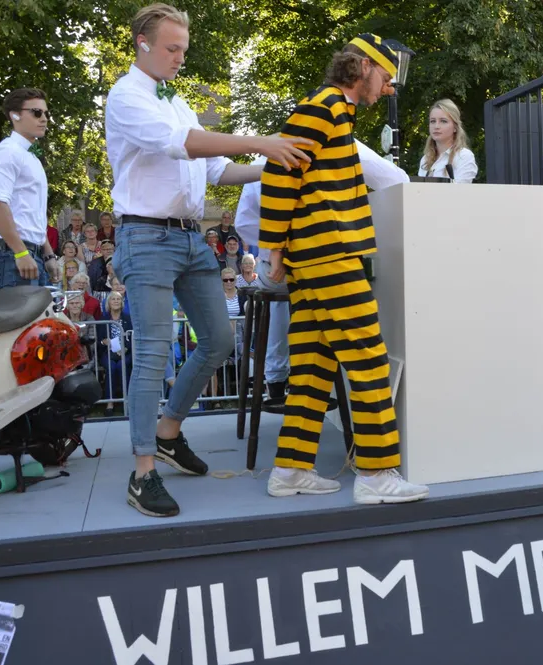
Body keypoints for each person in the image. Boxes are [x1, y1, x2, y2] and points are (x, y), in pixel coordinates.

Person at [104, 2, 314, 517]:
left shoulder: (177, 100)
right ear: (142, 44)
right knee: (153, 351)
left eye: (184, 49)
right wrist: (265, 141)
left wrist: (278, 162)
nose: (180, 57)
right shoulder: (126, 95)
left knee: (219, 341)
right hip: (144, 236)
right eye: (172, 48)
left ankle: (168, 432)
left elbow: (216, 169)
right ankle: (142, 472)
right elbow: (184, 145)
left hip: (189, 238)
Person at [259, 33, 429, 504]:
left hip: (316, 254)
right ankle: (377, 474)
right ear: (363, 67)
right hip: (329, 252)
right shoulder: (327, 105)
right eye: (386, 76)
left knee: (313, 366)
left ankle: (290, 470)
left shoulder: (333, 109)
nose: (389, 87)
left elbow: (288, 172)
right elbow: (278, 169)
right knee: (369, 358)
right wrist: (273, 245)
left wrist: (279, 246)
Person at [235, 140, 408, 410]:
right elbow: (397, 180)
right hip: (324, 265)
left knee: (282, 294)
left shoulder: (266, 154)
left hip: (278, 267)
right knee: (328, 291)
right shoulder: (341, 143)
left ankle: (277, 380)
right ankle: (319, 381)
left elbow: (244, 223)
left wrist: (276, 249)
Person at [0, 87, 61, 290]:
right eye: (36, 112)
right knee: (19, 312)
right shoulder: (6, 153)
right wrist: (20, 252)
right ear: (15, 115)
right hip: (15, 252)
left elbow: (33, 215)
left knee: (42, 312)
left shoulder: (30, 157)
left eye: (46, 113)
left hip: (33, 252)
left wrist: (48, 254)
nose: (44, 118)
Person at [418, 98, 477, 183]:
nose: (436, 126)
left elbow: (461, 190)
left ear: (455, 127)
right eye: (433, 121)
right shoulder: (425, 159)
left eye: (443, 121)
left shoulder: (463, 156)